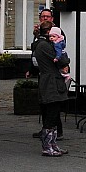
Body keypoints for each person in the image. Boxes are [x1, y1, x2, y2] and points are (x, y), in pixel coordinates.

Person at [28, 8, 67, 139]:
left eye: (48, 16)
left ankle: (54, 132)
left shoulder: (55, 33)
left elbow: (59, 51)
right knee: (46, 104)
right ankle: (48, 133)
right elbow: (34, 53)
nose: (45, 18)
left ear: (52, 19)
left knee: (52, 104)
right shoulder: (40, 37)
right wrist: (31, 69)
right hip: (44, 72)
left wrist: (65, 63)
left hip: (52, 74)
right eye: (43, 16)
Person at [32, 20, 69, 156]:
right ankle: (47, 147)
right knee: (50, 115)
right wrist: (63, 55)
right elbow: (62, 60)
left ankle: (53, 144)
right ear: (48, 32)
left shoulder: (44, 44)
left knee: (53, 116)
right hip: (50, 84)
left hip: (52, 82)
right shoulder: (44, 46)